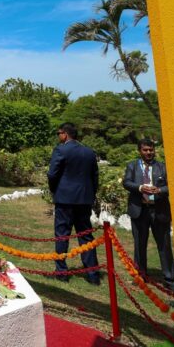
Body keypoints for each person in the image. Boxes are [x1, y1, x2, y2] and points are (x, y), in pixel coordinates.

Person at [47, 122, 100, 284]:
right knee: (85, 235)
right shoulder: (89, 152)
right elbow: (95, 176)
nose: (58, 137)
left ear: (65, 134)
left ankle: (62, 272)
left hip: (65, 199)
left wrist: (55, 190)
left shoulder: (61, 150)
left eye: (58, 133)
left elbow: (52, 174)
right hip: (84, 199)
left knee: (62, 234)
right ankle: (92, 274)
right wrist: (90, 194)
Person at [122, 138, 174, 293]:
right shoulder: (132, 166)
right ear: (140, 151)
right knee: (140, 244)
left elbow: (172, 184)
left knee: (164, 246)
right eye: (145, 150)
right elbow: (126, 182)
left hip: (159, 211)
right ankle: (141, 275)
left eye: (151, 150)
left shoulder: (162, 167)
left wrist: (160, 190)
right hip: (140, 210)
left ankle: (170, 279)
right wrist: (140, 187)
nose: (149, 153)